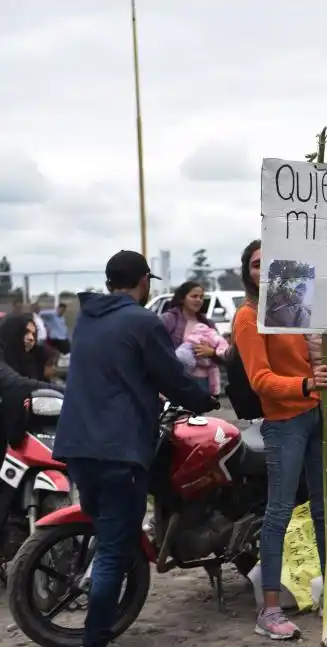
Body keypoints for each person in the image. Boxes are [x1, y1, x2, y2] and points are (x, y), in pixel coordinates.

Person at [52, 250, 216, 647]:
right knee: (113, 549)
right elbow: (170, 375)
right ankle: (96, 639)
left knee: (105, 528)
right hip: (118, 450)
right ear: (143, 281)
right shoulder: (143, 321)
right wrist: (203, 400)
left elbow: (117, 371)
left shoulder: (86, 318)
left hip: (76, 447)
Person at [233, 240, 327, 640]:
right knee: (279, 513)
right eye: (255, 265)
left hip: (319, 416)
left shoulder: (296, 308)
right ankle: (269, 610)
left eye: (267, 264)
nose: (262, 271)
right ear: (247, 272)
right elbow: (261, 381)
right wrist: (306, 383)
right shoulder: (249, 316)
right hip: (285, 422)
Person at [0, 314, 63, 463]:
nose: (31, 338)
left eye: (33, 334)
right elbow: (16, 383)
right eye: (25, 332)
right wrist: (66, 391)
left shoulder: (28, 361)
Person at [160, 281, 228, 395]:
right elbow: (157, 347)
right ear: (182, 298)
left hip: (203, 382)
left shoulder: (208, 323)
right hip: (179, 380)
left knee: (199, 413)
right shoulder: (169, 319)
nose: (198, 300)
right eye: (194, 296)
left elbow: (223, 352)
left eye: (201, 297)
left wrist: (211, 353)